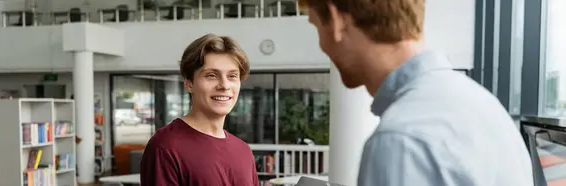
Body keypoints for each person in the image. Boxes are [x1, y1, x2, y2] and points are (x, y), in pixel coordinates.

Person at [301, 0, 534, 185]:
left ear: (337, 20)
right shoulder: (485, 105)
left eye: (315, 26)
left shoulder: (399, 141)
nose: (321, 45)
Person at [140, 33, 258, 186]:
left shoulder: (243, 151)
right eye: (211, 75)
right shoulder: (165, 147)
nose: (224, 85)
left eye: (232, 76)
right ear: (189, 84)